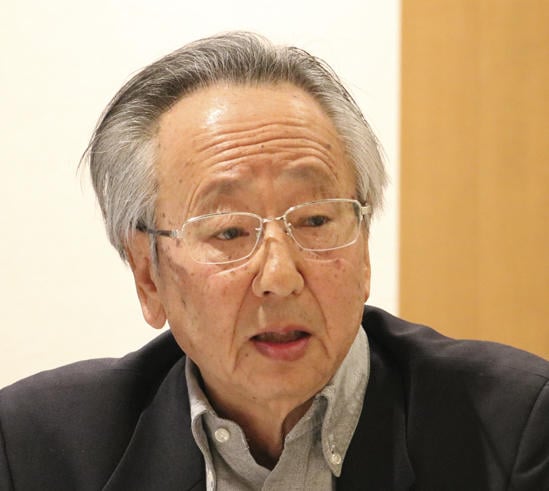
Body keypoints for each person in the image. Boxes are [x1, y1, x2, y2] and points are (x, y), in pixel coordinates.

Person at [0, 32, 547, 491]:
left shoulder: (515, 428)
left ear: (363, 248)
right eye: (229, 231)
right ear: (148, 274)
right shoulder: (35, 451)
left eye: (316, 220)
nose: (280, 276)